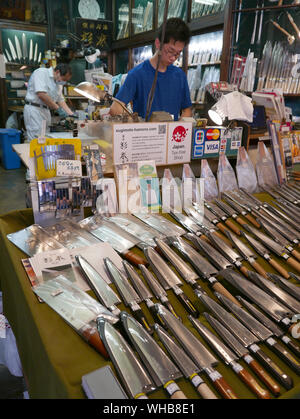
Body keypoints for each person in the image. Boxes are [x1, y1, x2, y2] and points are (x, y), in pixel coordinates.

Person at [110, 18, 192, 121]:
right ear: (158, 43)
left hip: (170, 135)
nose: (173, 57)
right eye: (170, 51)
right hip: (145, 135)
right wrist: (135, 122)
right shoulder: (137, 74)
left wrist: (178, 127)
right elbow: (115, 109)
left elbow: (187, 110)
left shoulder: (179, 76)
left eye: (178, 53)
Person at [23, 63, 75, 141]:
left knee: (45, 138)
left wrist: (71, 114)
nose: (64, 82)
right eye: (64, 79)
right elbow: (41, 94)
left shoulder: (58, 83)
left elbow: (60, 100)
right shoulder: (41, 73)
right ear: (57, 72)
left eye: (66, 81)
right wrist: (57, 108)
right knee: (36, 138)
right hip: (34, 109)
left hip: (46, 111)